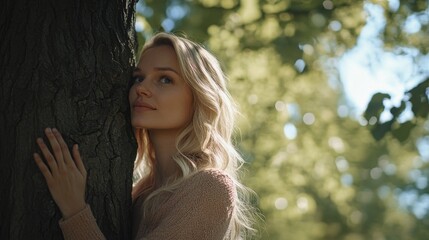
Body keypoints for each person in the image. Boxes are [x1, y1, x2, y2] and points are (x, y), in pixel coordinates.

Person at [33, 32, 258, 240]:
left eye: (165, 79)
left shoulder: (210, 188)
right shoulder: (140, 195)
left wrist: (74, 210)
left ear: (199, 98)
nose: (141, 88)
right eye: (139, 78)